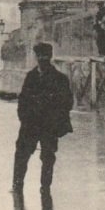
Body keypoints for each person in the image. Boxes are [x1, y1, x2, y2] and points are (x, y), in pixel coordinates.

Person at [12, 42, 74, 194]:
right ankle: (17, 185)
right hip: (30, 124)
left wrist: (57, 121)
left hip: (49, 125)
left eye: (45, 57)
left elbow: (67, 103)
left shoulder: (60, 79)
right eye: (40, 57)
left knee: (48, 156)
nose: (42, 60)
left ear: (50, 58)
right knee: (22, 154)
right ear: (36, 58)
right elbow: (23, 100)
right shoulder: (31, 77)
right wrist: (24, 118)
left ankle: (45, 188)